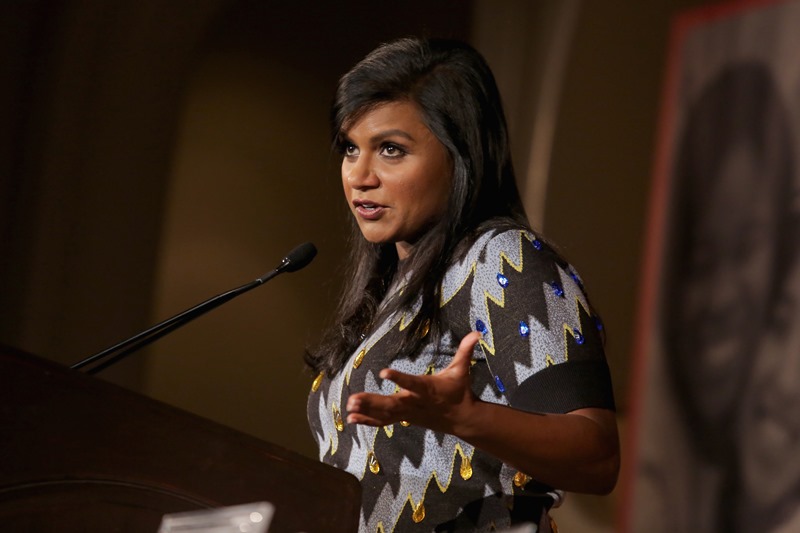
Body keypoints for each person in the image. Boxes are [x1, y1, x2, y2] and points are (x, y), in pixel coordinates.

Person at [305, 37, 619, 533]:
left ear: (460, 154)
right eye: (350, 148)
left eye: (390, 149)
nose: (360, 175)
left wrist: (467, 417)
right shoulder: (392, 290)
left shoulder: (503, 259)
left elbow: (595, 455)